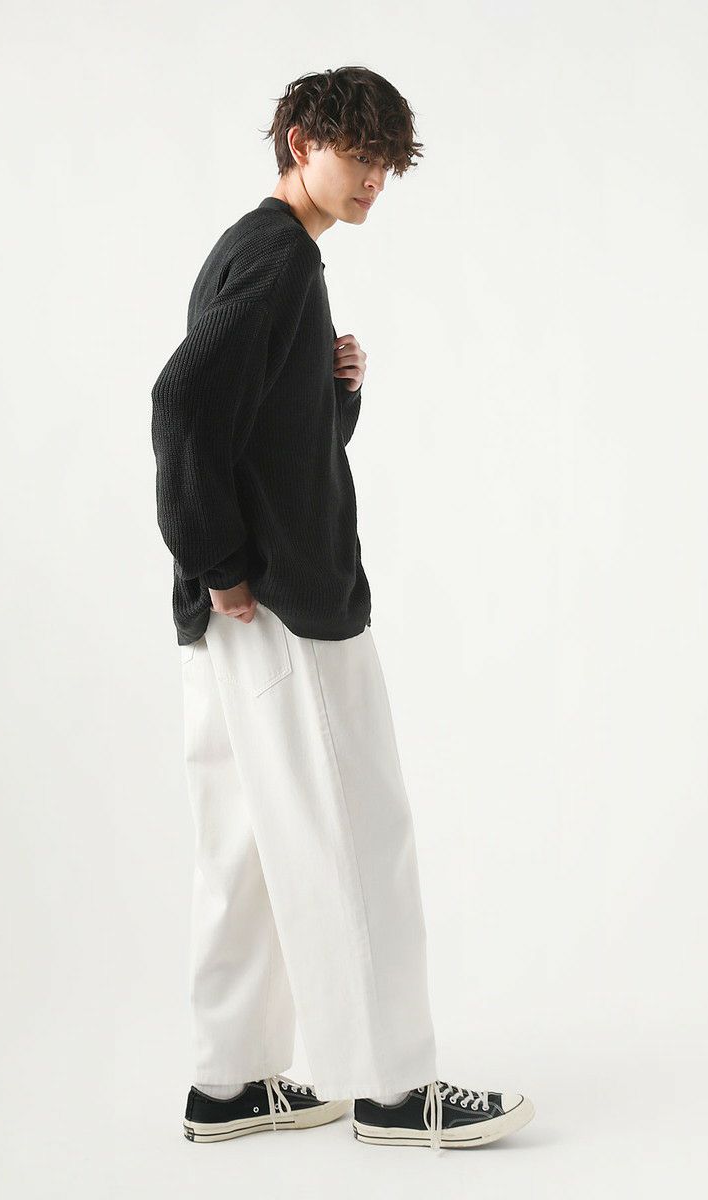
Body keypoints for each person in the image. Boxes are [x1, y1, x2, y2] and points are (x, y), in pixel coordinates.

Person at [150, 66, 535, 1152]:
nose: (372, 179)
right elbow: (180, 405)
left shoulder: (254, 250)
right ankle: (395, 1090)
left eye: (385, 164)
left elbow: (256, 436)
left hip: (235, 613)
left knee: (245, 845)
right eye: (356, 155)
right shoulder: (280, 260)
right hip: (280, 603)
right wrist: (223, 559)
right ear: (299, 142)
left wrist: (331, 396)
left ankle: (229, 1082)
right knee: (356, 832)